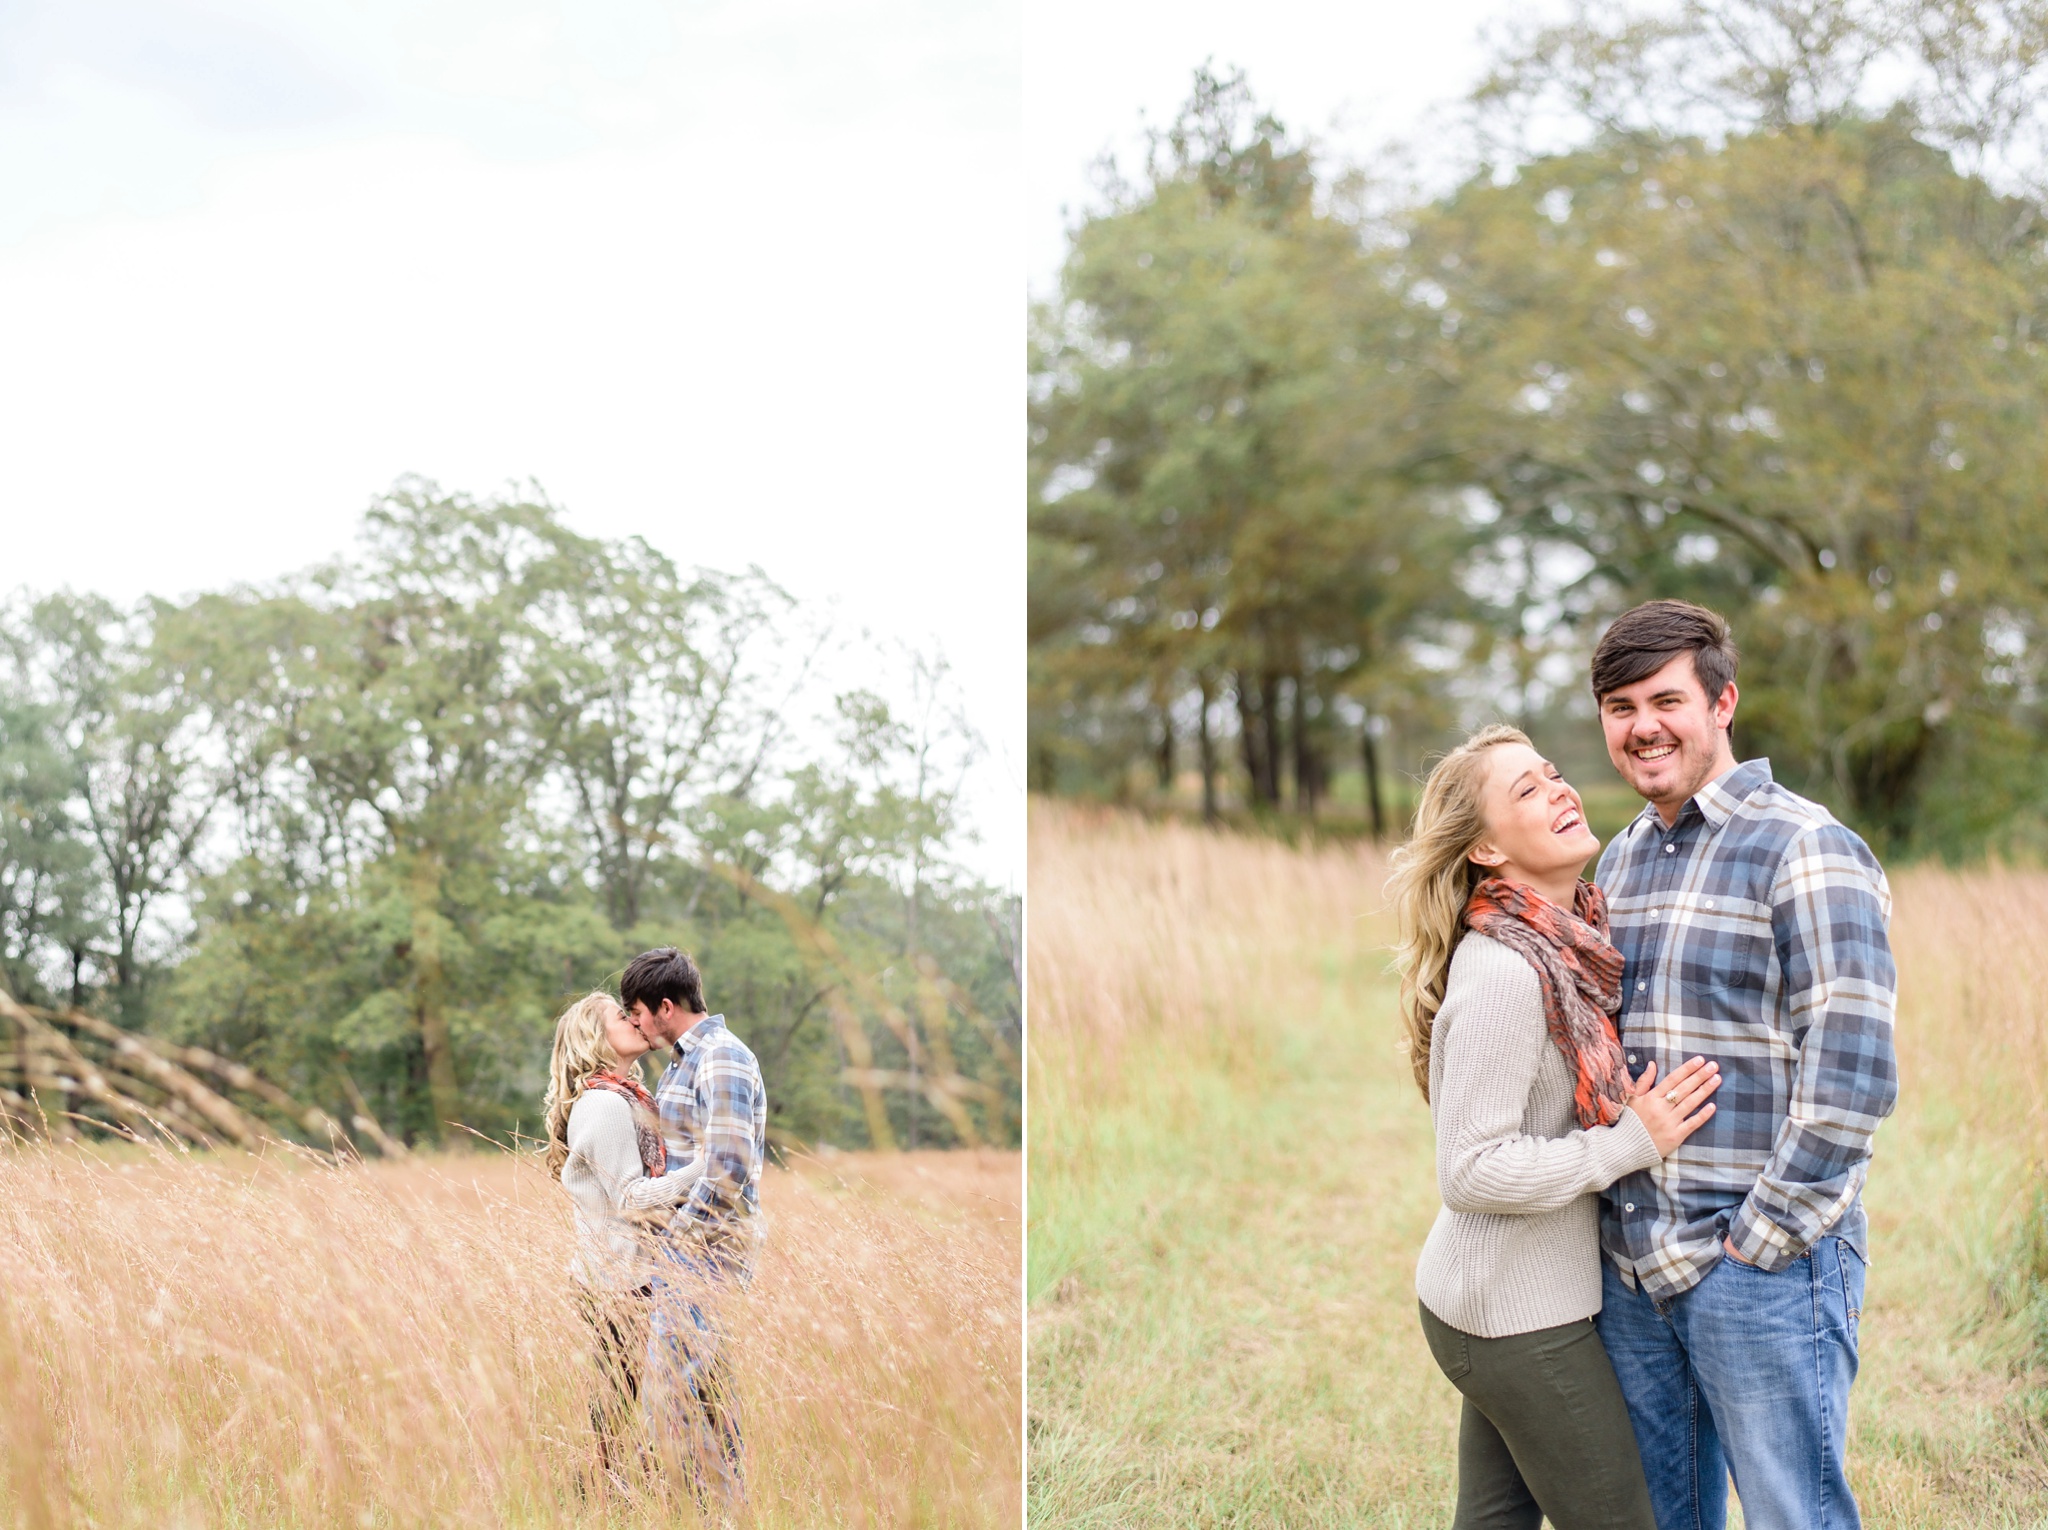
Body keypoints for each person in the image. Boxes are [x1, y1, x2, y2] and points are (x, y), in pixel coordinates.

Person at [1589, 600, 1897, 1530]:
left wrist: (1757, 1245)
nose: (1643, 726)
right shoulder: (1620, 860)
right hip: (1636, 1270)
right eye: (1620, 706)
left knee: (1793, 1516)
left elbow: (1852, 1072)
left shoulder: (1805, 847)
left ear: (1723, 703)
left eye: (1666, 699)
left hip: (1758, 1268)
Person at [1392, 723, 1724, 1530]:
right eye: (1527, 792)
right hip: (1511, 1317)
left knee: (1495, 1520)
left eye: (1552, 774)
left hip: (1503, 1303)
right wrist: (1627, 1143)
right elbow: (1469, 1170)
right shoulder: (1507, 970)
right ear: (1487, 852)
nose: (1560, 790)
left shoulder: (1570, 945)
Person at [621, 946, 768, 1509]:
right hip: (682, 1254)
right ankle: (703, 1511)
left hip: (706, 1251)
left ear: (664, 1005)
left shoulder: (723, 1057)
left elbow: (728, 1167)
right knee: (685, 1394)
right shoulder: (683, 1061)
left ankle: (722, 1514)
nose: (636, 1025)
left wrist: (674, 1248)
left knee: (694, 1392)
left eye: (637, 1013)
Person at [541, 991, 704, 1484]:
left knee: (622, 1401)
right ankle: (597, 1499)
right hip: (617, 1281)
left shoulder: (624, 1096)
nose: (635, 1020)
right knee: (618, 1408)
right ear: (596, 1036)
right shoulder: (606, 1105)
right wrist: (705, 1167)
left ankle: (610, 1495)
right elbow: (631, 1198)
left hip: (626, 1276)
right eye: (622, 1015)